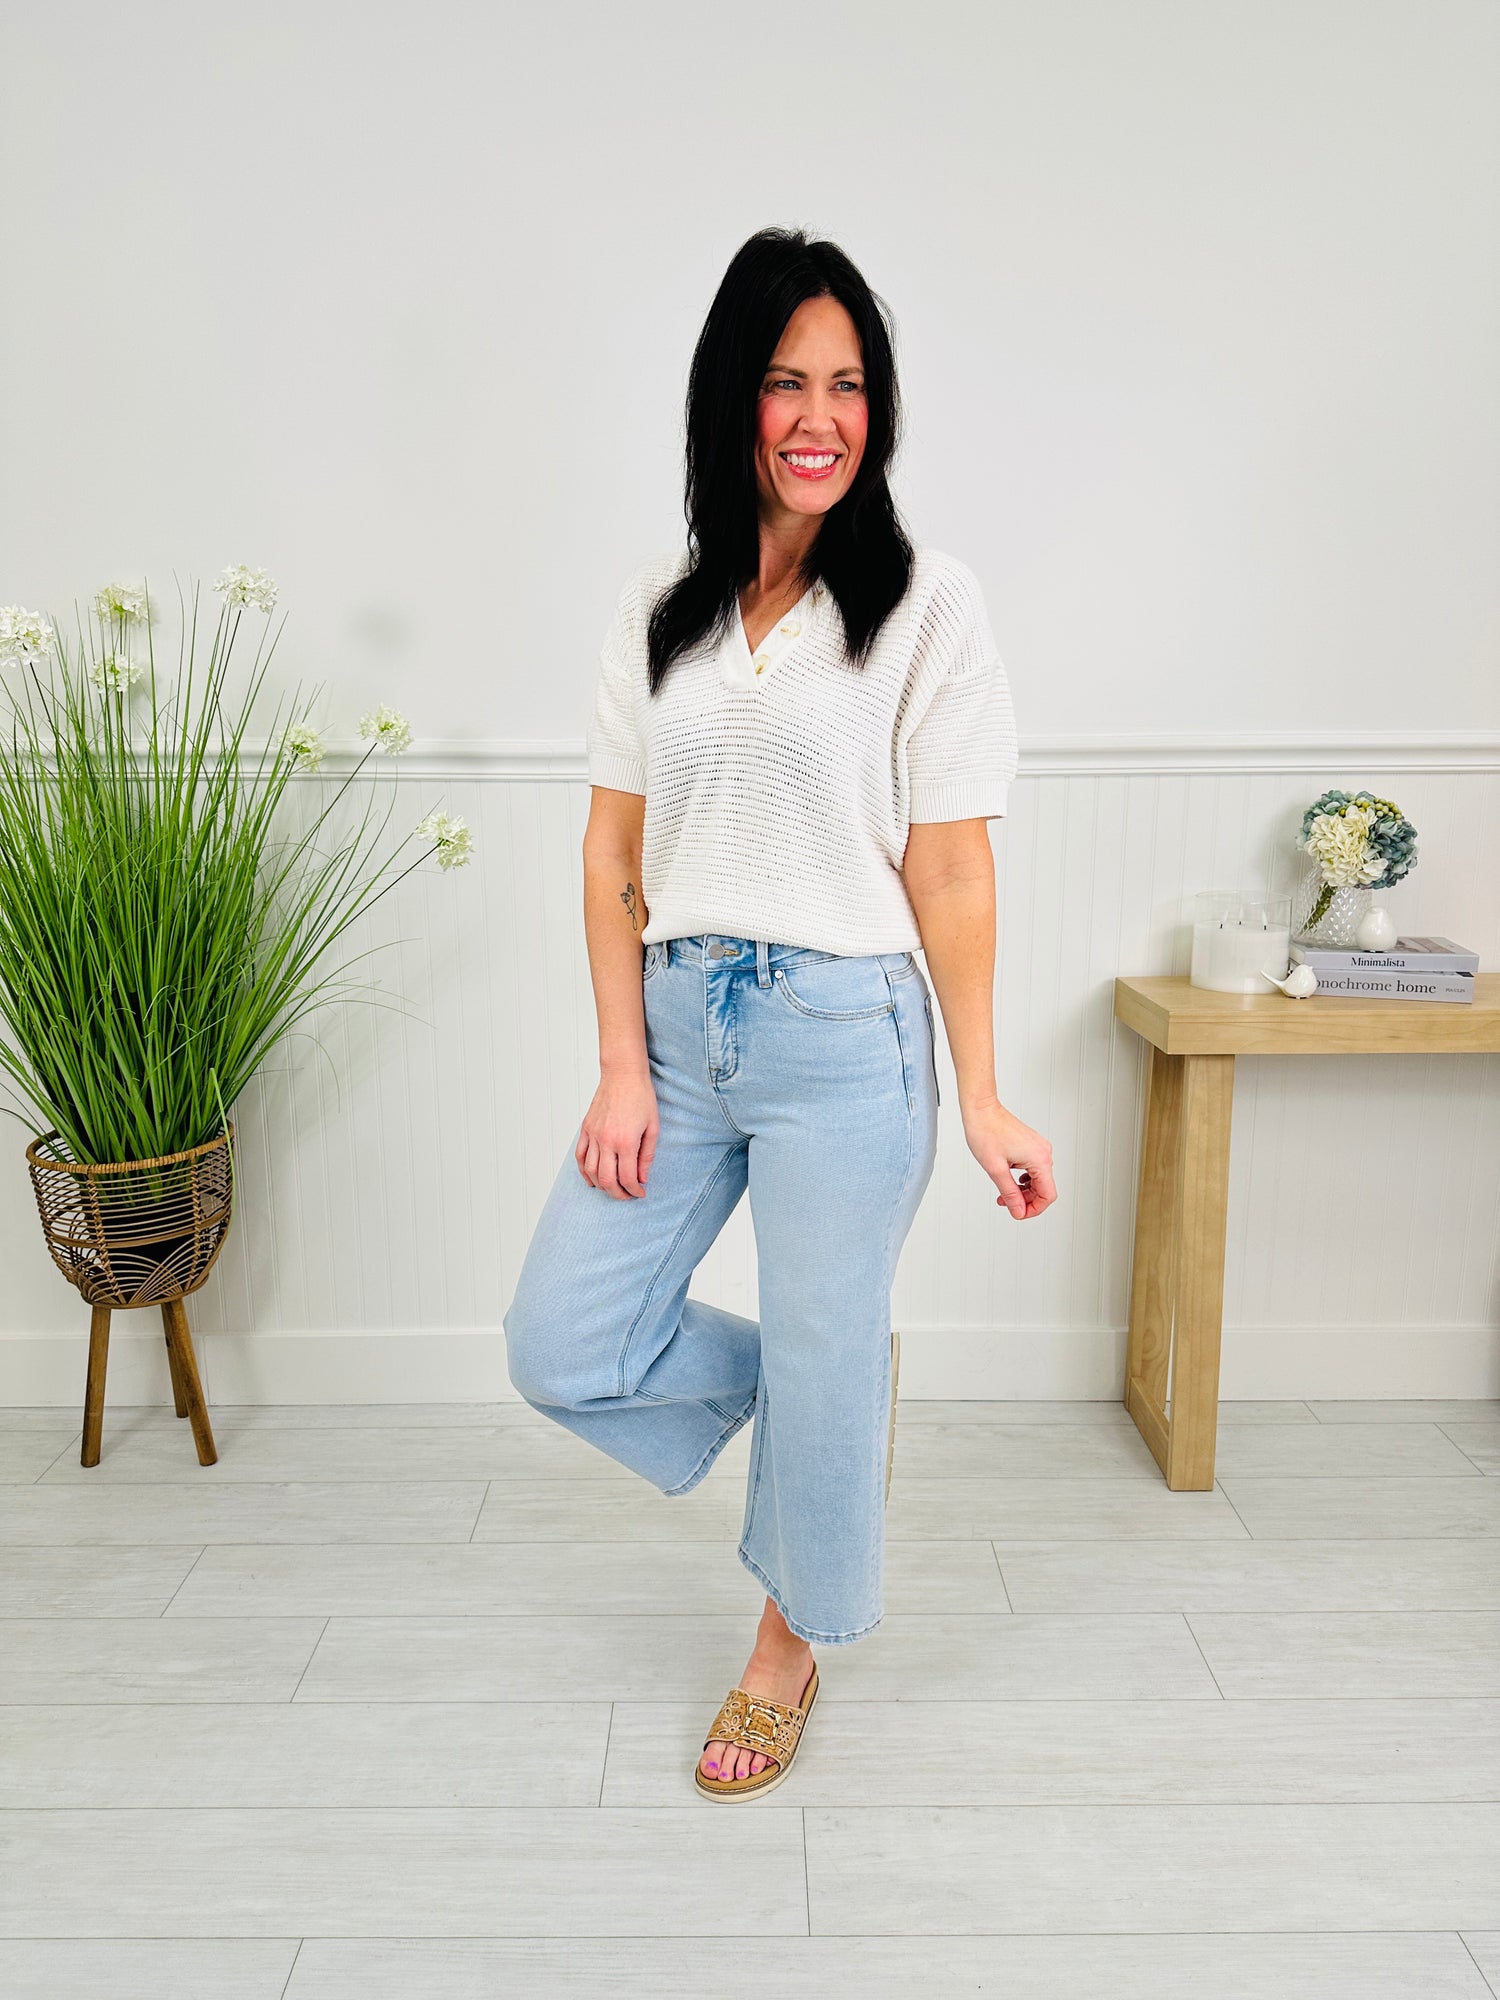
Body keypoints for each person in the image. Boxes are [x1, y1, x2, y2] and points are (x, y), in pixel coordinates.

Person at [503, 225, 1057, 1802]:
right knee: (561, 1339)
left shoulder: (925, 605)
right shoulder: (660, 606)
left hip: (846, 1037)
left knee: (827, 1346)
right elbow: (614, 851)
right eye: (786, 382)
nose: (821, 418)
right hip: (679, 1028)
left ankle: (784, 1648)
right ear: (729, 400)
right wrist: (621, 1065)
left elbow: (951, 866)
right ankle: (824, 1398)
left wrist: (985, 1091)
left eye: (850, 385)